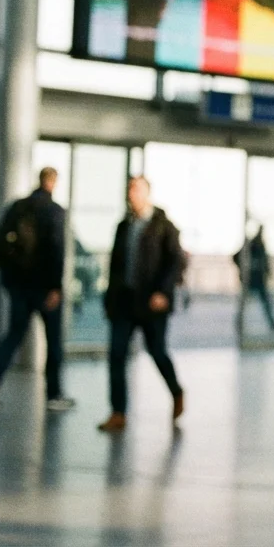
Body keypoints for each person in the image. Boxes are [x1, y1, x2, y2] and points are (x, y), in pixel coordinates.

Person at [97, 177, 185, 433]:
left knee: (157, 351)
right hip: (125, 302)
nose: (131, 194)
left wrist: (163, 292)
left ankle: (176, 391)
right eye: (129, 189)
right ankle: (118, 412)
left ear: (147, 193)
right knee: (116, 354)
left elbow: (175, 262)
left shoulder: (163, 226)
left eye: (136, 189)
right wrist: (109, 298)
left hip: (152, 303)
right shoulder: (124, 226)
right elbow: (115, 265)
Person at [0, 167, 74, 414]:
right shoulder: (54, 211)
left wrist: (11, 279)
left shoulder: (18, 207)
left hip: (20, 287)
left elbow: (0, 242)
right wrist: (55, 287)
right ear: (53, 182)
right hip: (44, 288)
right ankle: (53, 394)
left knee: (14, 335)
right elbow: (57, 250)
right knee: (53, 341)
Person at [234, 225, 274, 333]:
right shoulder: (253, 245)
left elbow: (264, 263)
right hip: (252, 279)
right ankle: (239, 323)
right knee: (249, 303)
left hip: (258, 279)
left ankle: (272, 324)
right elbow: (236, 257)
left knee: (264, 303)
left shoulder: (259, 245)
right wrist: (244, 268)